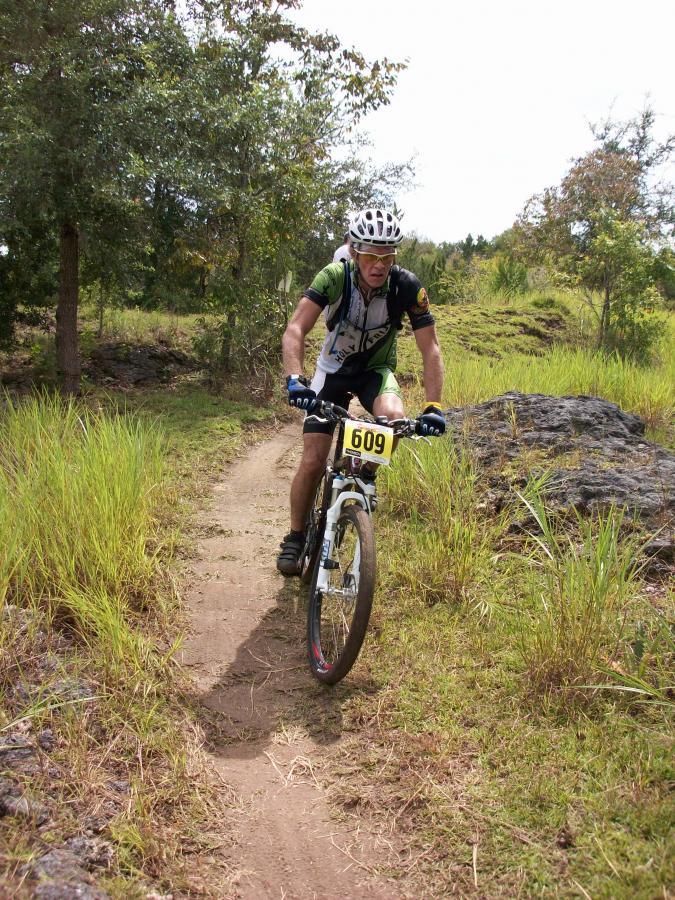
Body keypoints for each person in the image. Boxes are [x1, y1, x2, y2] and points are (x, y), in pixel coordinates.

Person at [277, 207, 445, 576]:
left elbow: (430, 348)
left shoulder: (407, 287)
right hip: (332, 372)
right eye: (371, 254)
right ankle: (295, 534)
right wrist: (295, 379)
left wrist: (433, 406)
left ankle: (364, 475)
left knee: (395, 418)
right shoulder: (335, 277)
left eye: (387, 256)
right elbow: (296, 330)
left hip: (375, 372)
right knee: (311, 458)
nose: (379, 264)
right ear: (354, 251)